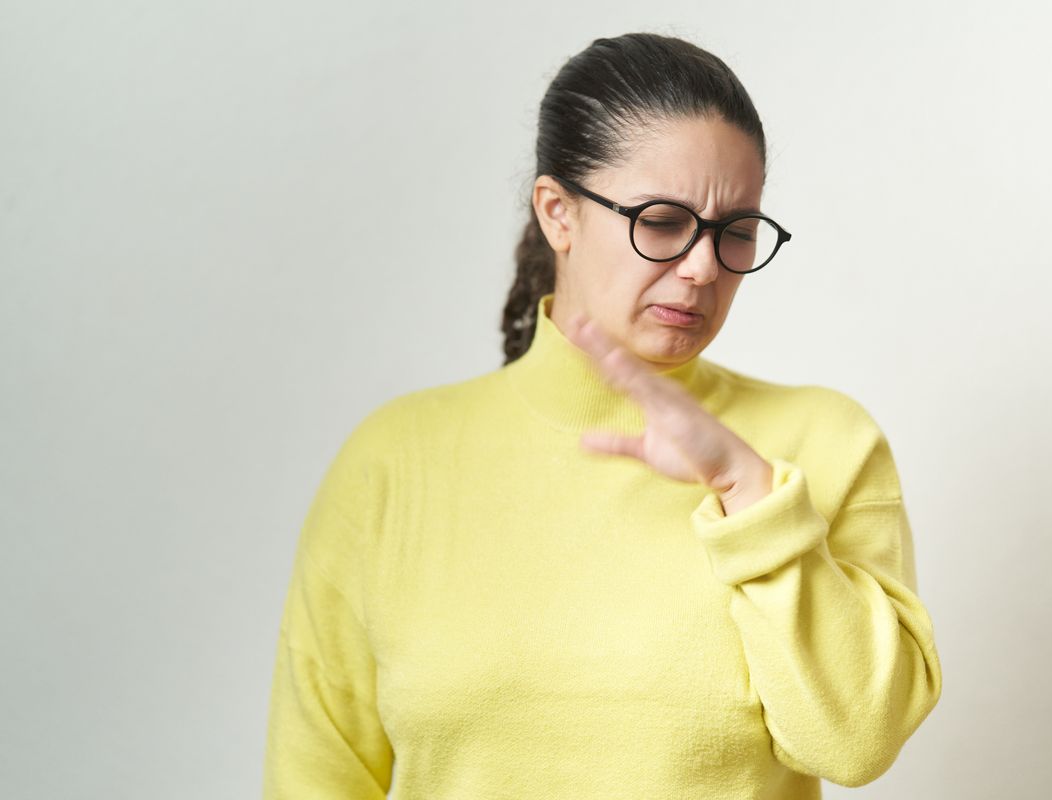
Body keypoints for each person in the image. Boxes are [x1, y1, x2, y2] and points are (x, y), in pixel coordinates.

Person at [261, 31, 942, 800]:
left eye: (737, 232)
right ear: (558, 213)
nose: (702, 267)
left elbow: (855, 743)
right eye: (661, 220)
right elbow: (317, 775)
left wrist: (742, 486)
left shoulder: (824, 443)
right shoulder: (394, 460)